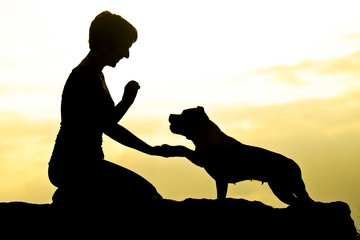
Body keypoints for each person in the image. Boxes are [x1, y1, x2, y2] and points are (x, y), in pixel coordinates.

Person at [49, 11, 169, 205]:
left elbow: (104, 121)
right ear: (107, 43)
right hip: (74, 167)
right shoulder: (85, 78)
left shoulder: (95, 75)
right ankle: (69, 194)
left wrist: (126, 101)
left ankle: (70, 194)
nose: (127, 55)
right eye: (125, 47)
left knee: (145, 191)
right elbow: (110, 128)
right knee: (146, 194)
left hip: (85, 165)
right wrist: (151, 150)